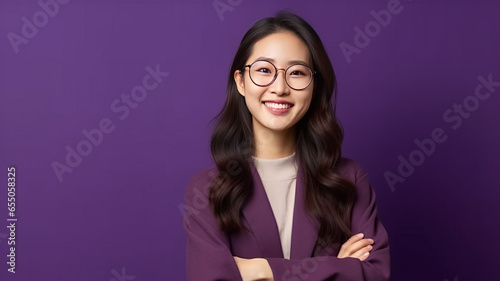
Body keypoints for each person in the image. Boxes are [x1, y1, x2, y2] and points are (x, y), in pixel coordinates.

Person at [183, 11, 390, 281]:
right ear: (241, 82)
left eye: (297, 72)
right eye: (264, 70)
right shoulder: (206, 190)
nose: (280, 87)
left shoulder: (349, 179)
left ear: (314, 86)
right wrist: (335, 267)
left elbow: (375, 274)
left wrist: (262, 270)